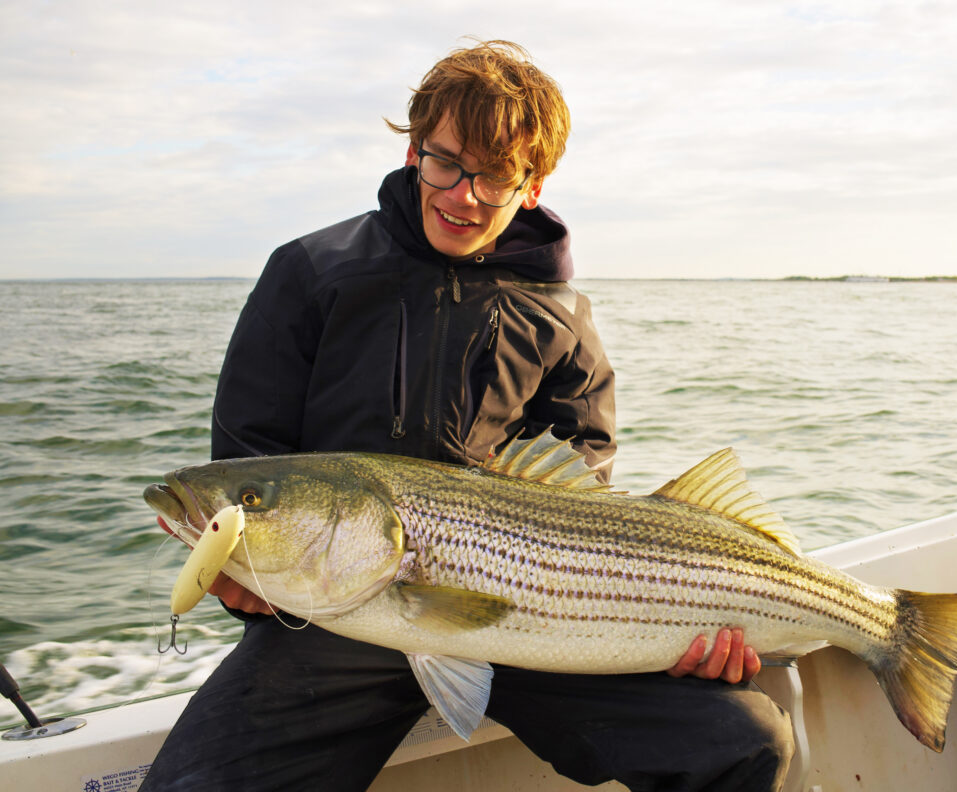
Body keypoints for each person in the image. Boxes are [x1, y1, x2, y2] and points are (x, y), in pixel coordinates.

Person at [140, 40, 793, 792]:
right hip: (334, 625)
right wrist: (244, 577)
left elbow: (580, 487)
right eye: (446, 163)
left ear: (533, 185)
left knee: (742, 741)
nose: (464, 195)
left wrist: (666, 627)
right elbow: (250, 465)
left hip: (528, 618)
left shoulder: (561, 315)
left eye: (495, 176)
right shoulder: (312, 272)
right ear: (414, 151)